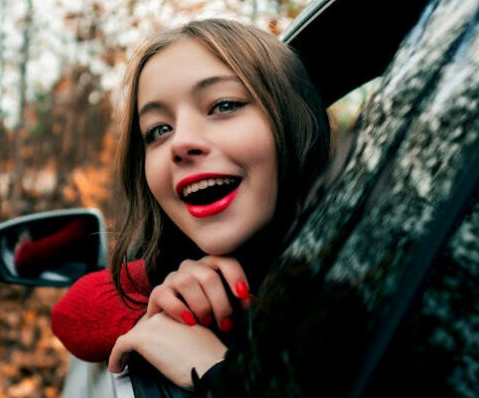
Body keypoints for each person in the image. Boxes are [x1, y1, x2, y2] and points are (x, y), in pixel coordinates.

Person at [50, 18, 330, 393]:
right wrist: (161, 303)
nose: (180, 142)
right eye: (159, 130)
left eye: (224, 105)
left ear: (297, 124)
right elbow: (72, 313)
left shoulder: (360, 279)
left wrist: (219, 376)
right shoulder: (182, 262)